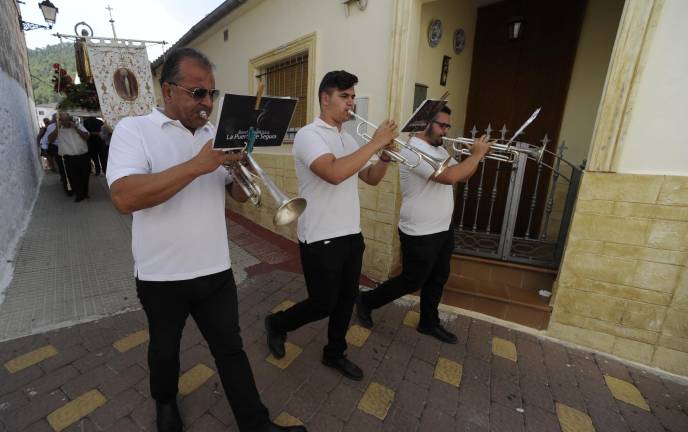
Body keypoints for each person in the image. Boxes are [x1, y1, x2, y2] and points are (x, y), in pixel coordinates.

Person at [106, 47, 306, 432]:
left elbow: (236, 194)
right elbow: (124, 197)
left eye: (212, 94)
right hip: (160, 274)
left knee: (231, 351)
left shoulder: (218, 134)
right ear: (168, 91)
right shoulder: (135, 131)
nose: (207, 103)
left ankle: (256, 424)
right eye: (197, 92)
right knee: (165, 350)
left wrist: (244, 169)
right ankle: (165, 403)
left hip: (215, 269)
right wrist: (198, 165)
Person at [264, 70, 397, 381]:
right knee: (322, 303)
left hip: (351, 233)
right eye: (344, 97)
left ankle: (334, 353)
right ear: (325, 99)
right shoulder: (309, 135)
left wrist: (386, 157)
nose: (350, 104)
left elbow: (371, 179)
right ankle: (278, 323)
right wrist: (376, 143)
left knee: (345, 300)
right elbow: (333, 173)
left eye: (352, 97)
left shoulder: (348, 137)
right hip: (320, 236)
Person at [354, 106, 490, 344]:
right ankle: (366, 301)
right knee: (411, 280)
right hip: (420, 231)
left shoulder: (440, 150)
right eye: (442, 125)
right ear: (425, 123)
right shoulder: (411, 150)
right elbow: (447, 177)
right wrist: (477, 156)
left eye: (448, 126)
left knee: (438, 277)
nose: (446, 131)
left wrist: (475, 157)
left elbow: (462, 175)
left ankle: (429, 322)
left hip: (442, 228)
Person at [49, 112, 91, 202]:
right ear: (59, 121)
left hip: (83, 156)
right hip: (69, 158)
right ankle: (79, 195)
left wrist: (76, 128)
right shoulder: (57, 129)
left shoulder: (78, 126)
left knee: (85, 175)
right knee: (74, 177)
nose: (65, 122)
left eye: (67, 120)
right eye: (63, 120)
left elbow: (87, 137)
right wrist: (57, 128)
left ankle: (85, 192)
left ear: (70, 119)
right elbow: (50, 139)